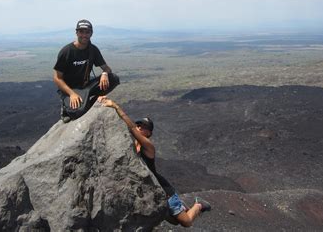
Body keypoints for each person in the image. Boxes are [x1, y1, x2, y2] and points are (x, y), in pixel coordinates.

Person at [98, 96, 211, 227]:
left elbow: (132, 128)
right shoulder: (133, 146)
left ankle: (199, 204)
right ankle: (182, 207)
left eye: (143, 126)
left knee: (186, 222)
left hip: (165, 190)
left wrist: (116, 106)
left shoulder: (149, 147)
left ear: (149, 133)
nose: (139, 127)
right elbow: (123, 126)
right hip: (155, 190)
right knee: (174, 221)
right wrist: (100, 99)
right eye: (139, 124)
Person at [53, 19, 119, 123]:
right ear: (76, 32)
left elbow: (107, 68)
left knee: (113, 78)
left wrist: (105, 73)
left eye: (87, 32)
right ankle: (67, 107)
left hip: (86, 86)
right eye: (81, 31)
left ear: (91, 33)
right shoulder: (67, 51)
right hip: (71, 89)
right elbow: (57, 78)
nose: (84, 35)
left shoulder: (93, 50)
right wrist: (71, 94)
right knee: (77, 112)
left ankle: (91, 101)